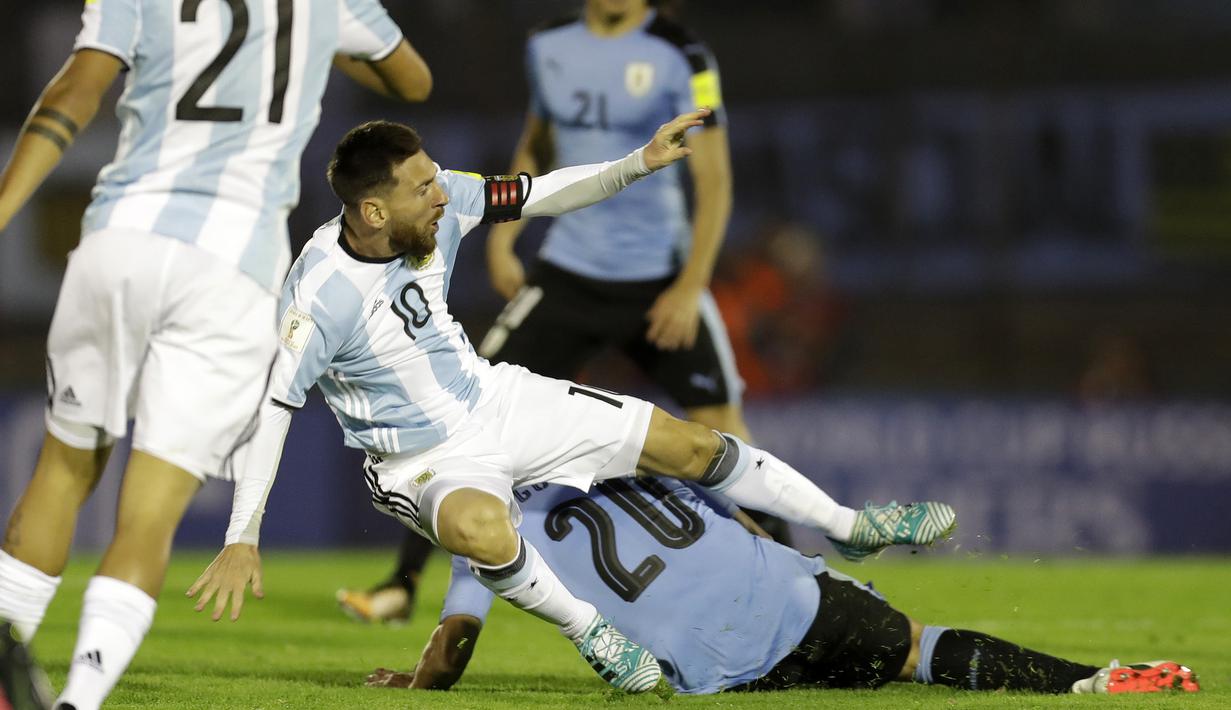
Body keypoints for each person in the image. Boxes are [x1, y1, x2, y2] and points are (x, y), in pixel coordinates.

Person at [185, 111, 957, 695]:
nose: (440, 190)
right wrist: (242, 533)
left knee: (688, 446)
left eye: (433, 177)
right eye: (420, 186)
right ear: (373, 212)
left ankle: (849, 527)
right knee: (478, 528)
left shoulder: (439, 201)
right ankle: (595, 636)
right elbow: (274, 409)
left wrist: (636, 164)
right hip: (417, 460)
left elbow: (538, 194)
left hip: (499, 399)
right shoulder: (318, 297)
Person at [0, 0, 431, 707]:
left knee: (62, 470)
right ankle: (78, 700)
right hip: (229, 269)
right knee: (148, 514)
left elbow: (74, 91)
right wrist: (307, 39)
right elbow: (412, 81)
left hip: (119, 241)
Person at [365, 478, 1200, 697]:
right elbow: (749, 525)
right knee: (916, 650)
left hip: (711, 672)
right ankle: (1091, 680)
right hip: (798, 603)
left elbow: (454, 646)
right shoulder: (625, 448)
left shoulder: (480, 531)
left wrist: (415, 682)